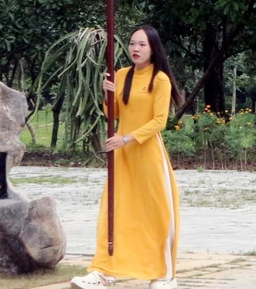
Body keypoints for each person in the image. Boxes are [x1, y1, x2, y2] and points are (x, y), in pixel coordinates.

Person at [71, 26, 183, 289]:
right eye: (133, 43)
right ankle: (102, 272)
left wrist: (127, 138)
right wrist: (107, 93)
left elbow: (159, 121)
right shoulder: (122, 74)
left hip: (147, 153)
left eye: (142, 45)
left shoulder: (160, 80)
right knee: (113, 210)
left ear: (153, 48)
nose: (135, 48)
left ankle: (164, 274)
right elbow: (114, 114)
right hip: (122, 156)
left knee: (156, 212)